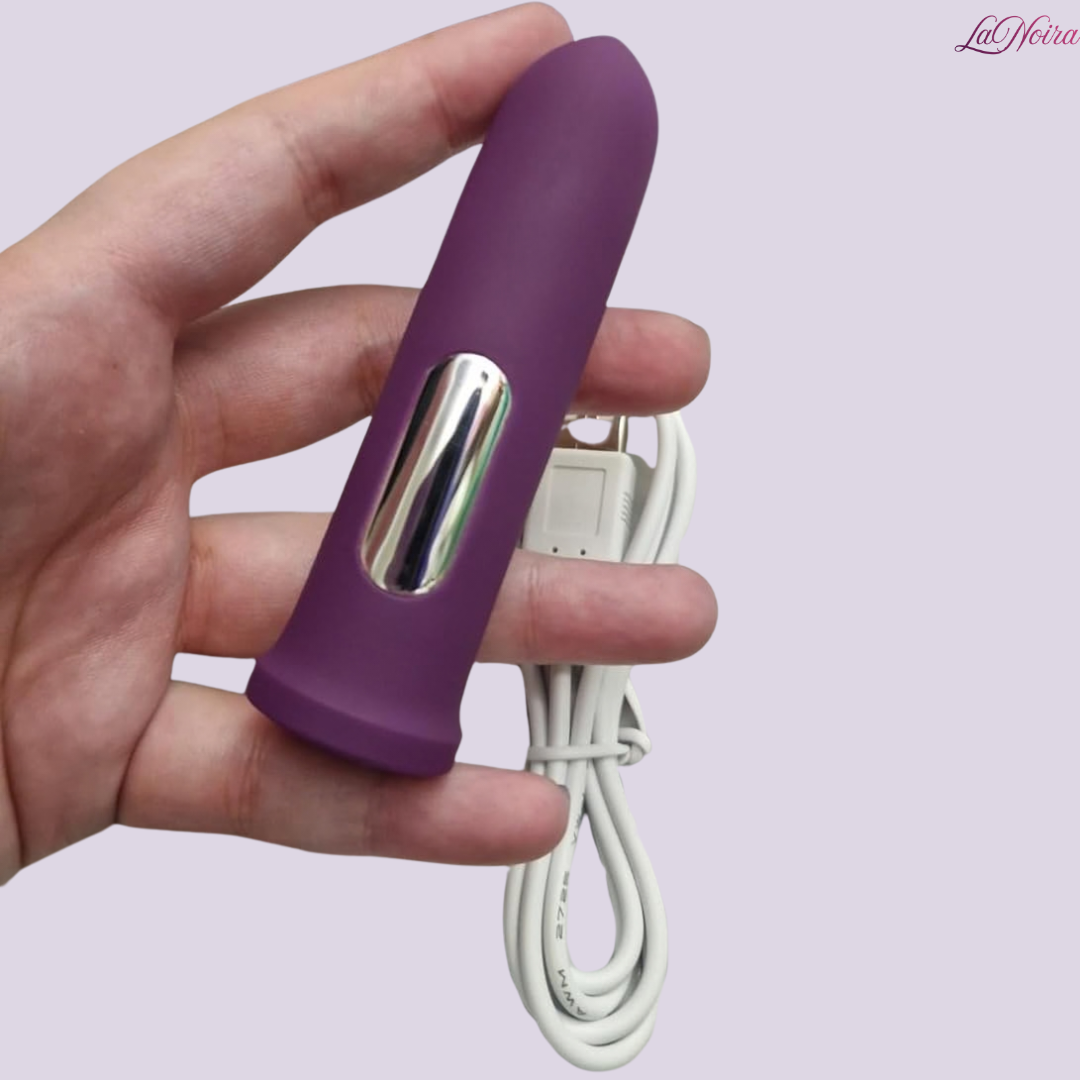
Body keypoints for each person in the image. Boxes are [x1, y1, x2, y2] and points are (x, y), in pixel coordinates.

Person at [0, 3, 715, 887]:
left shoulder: (593, 114)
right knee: (465, 397)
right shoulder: (590, 111)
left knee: (468, 398)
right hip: (341, 676)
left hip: (371, 684)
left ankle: (381, 660)